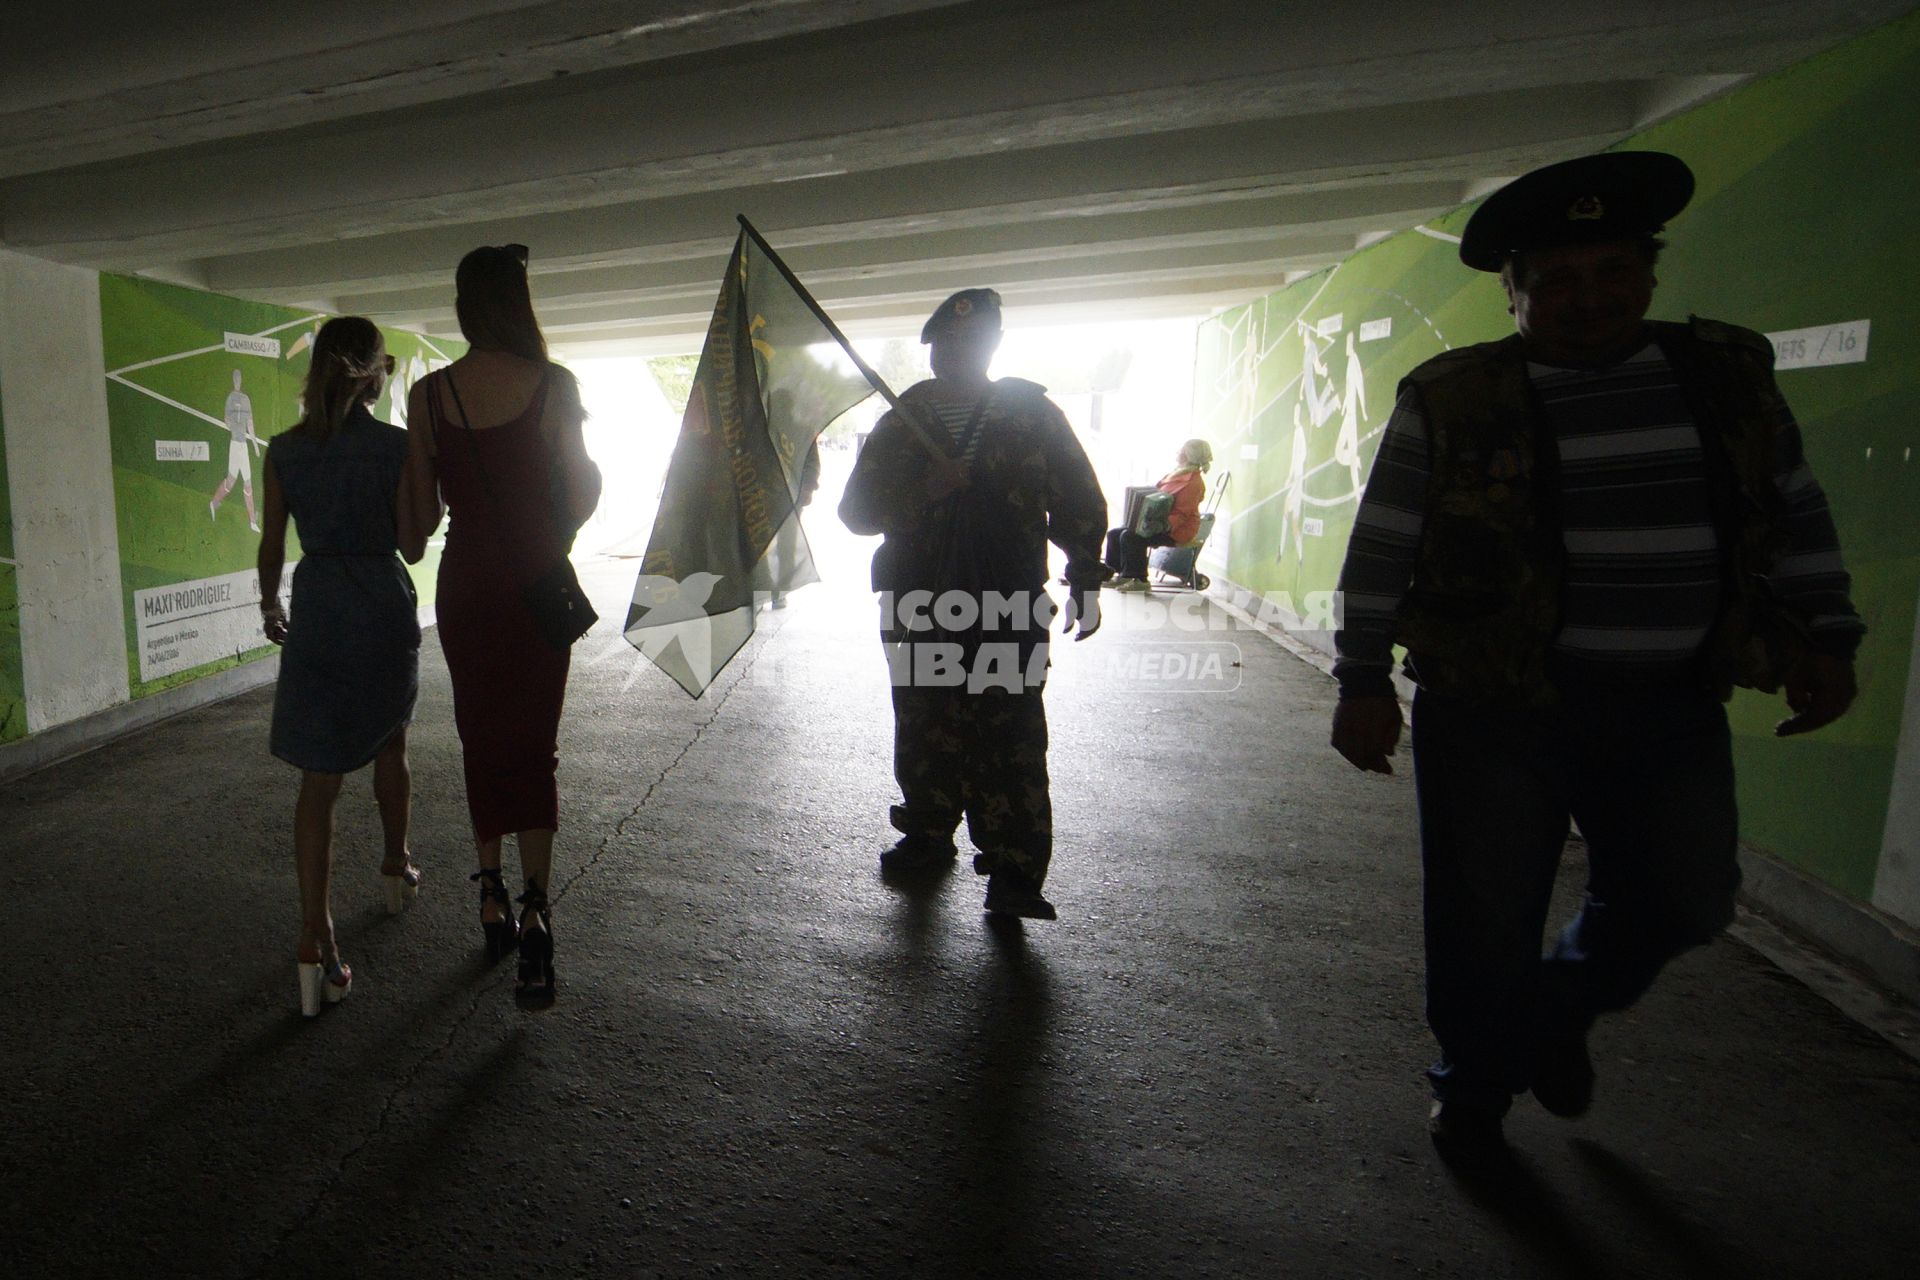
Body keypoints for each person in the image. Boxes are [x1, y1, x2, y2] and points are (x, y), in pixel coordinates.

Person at [1328, 151, 1865, 1172]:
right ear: (1515, 292)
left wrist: (1827, 635)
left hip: (1671, 699)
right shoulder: (1456, 399)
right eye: (1559, 281)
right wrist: (1361, 678)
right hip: (1494, 705)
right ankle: (1476, 1089)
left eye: (1612, 272)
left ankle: (1552, 1012)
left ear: (1649, 274)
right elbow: (1384, 542)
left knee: (1686, 895)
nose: (1590, 299)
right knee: (1483, 918)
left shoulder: (1722, 384)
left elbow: (1794, 511)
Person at [839, 288, 1108, 920]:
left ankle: (1016, 869)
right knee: (924, 719)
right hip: (918, 601)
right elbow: (856, 511)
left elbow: (1077, 497)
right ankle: (928, 832)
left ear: (990, 347)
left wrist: (1086, 578)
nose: (957, 353)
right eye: (947, 344)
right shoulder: (903, 418)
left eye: (972, 342)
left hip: (1006, 601)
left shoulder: (1029, 412)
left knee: (1010, 734)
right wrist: (924, 492)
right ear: (931, 349)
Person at [398, 244, 601, 1001]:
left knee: (479, 739)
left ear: (462, 306)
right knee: (534, 746)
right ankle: (538, 912)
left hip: (467, 584)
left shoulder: (430, 395)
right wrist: (548, 527)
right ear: (520, 303)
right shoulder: (554, 387)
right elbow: (581, 488)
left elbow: (417, 523)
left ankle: (488, 897)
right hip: (537, 579)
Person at [257, 317, 422, 1017]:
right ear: (374, 371)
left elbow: (271, 541)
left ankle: (313, 935)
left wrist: (270, 605)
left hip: (318, 605)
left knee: (317, 777)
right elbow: (414, 546)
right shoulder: (397, 447)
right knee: (391, 738)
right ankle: (394, 864)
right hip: (380, 602)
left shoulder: (286, 450)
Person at [1104, 438, 1212, 590]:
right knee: (1115, 533)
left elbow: (1182, 514)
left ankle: (1140, 580)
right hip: (1159, 522)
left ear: (1188, 455)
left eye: (1181, 450)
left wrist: (1160, 526)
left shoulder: (1194, 483)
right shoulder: (1176, 474)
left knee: (1131, 537)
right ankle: (1117, 574)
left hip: (1177, 529)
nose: (1178, 452)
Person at [212, 368, 263, 531]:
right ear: (239, 381)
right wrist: (254, 444)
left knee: (231, 480)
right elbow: (250, 425)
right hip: (240, 447)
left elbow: (227, 421)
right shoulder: (246, 399)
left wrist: (234, 427)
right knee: (247, 483)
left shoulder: (229, 399)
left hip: (234, 444)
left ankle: (214, 503)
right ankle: (252, 521)